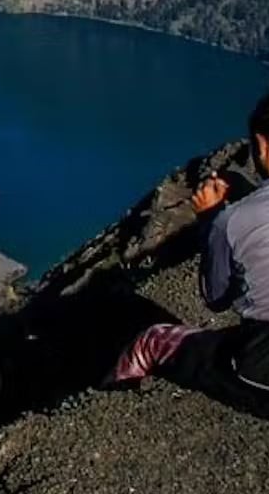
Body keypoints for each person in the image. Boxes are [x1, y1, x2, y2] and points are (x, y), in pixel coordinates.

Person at [107, 91, 269, 416]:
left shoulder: (233, 221)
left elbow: (217, 298)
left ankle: (112, 403)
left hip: (261, 371)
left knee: (153, 340)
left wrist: (211, 218)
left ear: (263, 145)